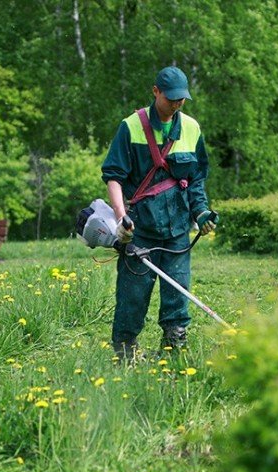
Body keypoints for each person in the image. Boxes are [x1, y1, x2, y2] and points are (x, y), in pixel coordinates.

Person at [101, 65, 217, 362]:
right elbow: (113, 175)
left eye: (182, 99)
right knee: (132, 295)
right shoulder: (131, 127)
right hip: (138, 230)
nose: (177, 104)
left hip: (178, 229)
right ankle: (125, 351)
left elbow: (195, 180)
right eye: (171, 98)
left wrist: (201, 212)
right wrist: (119, 218)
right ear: (156, 92)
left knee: (177, 293)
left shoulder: (191, 128)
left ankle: (174, 350)